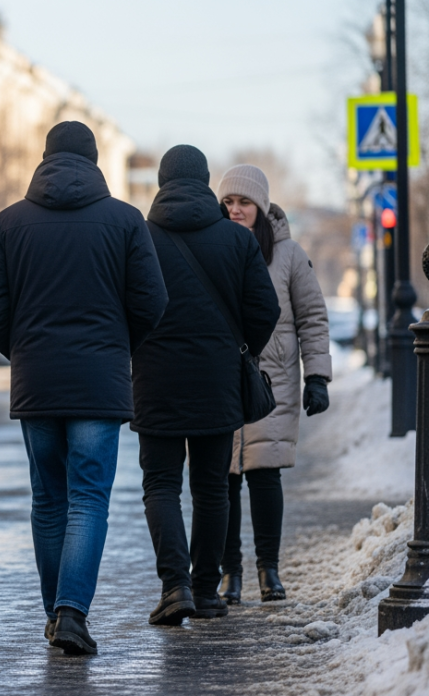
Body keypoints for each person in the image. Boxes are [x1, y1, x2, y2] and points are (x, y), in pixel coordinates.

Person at [0, 121, 168, 655]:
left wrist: (25, 350)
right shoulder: (126, 221)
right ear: (95, 160)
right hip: (99, 383)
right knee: (87, 499)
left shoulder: (10, 222)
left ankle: (55, 612)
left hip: (36, 380)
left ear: (45, 159)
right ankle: (70, 613)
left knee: (48, 500)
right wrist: (116, 347)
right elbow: (152, 301)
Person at [131, 146, 280, 626]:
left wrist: (142, 347)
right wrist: (238, 346)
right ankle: (205, 590)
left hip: (155, 379)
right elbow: (266, 311)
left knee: (160, 484)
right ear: (205, 181)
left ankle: (174, 586)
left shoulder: (141, 236)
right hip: (218, 379)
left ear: (161, 181)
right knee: (212, 488)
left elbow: (126, 306)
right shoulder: (237, 241)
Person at [216, 165, 331, 604]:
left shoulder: (288, 255)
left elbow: (313, 317)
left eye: (244, 202)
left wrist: (318, 376)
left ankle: (269, 570)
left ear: (261, 207)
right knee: (223, 480)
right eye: (227, 202)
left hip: (272, 381)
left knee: (265, 477)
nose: (235, 210)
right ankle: (231, 574)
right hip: (223, 380)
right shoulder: (215, 246)